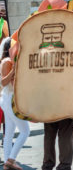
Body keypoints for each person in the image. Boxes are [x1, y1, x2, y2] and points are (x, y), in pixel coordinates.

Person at [0, 38, 30, 170]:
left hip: (8, 99)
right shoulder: (7, 62)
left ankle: (7, 162)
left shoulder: (10, 61)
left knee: (10, 134)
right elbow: (3, 82)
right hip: (9, 99)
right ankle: (11, 160)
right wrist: (14, 70)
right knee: (25, 131)